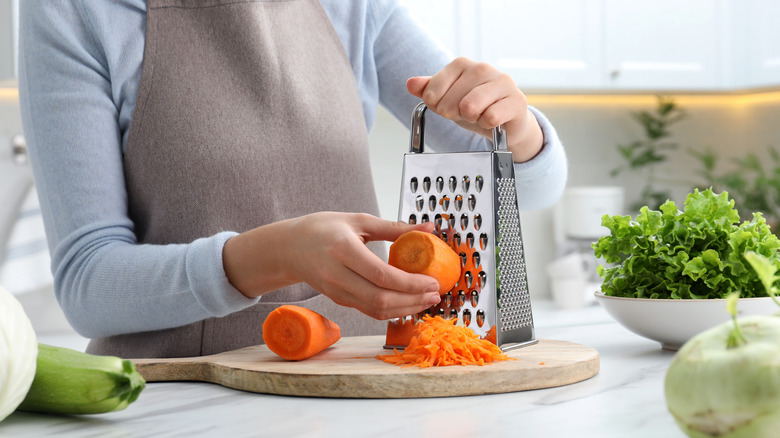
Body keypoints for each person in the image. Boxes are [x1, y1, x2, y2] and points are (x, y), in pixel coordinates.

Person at [18, 0, 567, 358]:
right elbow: (86, 284)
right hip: (180, 401)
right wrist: (274, 256)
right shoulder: (70, 10)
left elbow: (535, 190)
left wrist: (515, 127)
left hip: (366, 385)